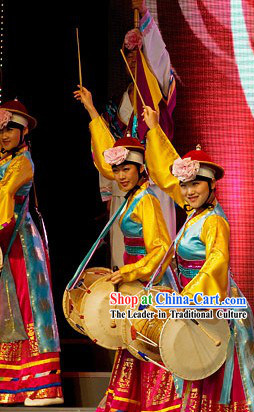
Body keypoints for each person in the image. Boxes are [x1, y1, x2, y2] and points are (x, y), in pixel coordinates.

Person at [143, 106, 254, 412]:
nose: (187, 191)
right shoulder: (194, 215)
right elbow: (161, 170)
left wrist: (187, 298)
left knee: (225, 379)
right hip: (196, 303)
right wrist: (155, 130)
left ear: (211, 184)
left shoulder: (214, 221)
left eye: (195, 184)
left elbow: (217, 262)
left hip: (215, 305)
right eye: (184, 184)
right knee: (199, 373)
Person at [86, 127, 181, 412]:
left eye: (127, 168)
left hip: (152, 286)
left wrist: (131, 272)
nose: (121, 175)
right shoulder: (129, 200)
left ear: (141, 168)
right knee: (130, 352)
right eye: (117, 169)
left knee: (152, 353)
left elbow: (161, 249)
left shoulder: (147, 201)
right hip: (134, 286)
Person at [74, 0, 176, 268]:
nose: (133, 61)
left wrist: (144, 17)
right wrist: (107, 192)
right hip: (124, 187)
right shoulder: (116, 105)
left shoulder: (157, 93)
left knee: (157, 255)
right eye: (128, 57)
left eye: (138, 56)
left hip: (154, 183)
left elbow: (160, 57)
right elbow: (108, 147)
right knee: (123, 258)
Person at [0, 100, 63, 406]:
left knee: (30, 308)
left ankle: (42, 384)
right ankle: (12, 382)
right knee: (9, 308)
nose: (5, 134)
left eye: (11, 128)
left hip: (20, 244)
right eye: (1, 128)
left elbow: (5, 195)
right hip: (4, 243)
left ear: (23, 131)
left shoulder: (22, 162)